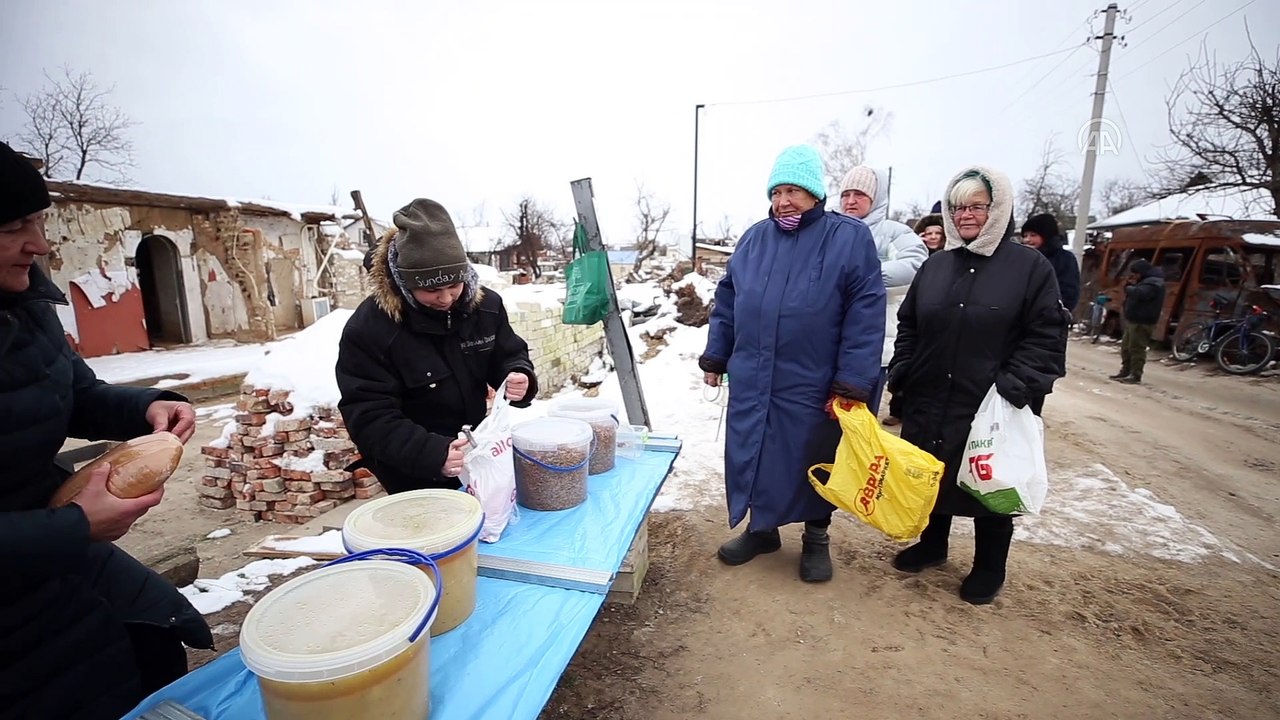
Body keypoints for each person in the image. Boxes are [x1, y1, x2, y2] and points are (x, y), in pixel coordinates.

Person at [0, 141, 213, 720]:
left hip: (57, 557)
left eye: (39, 222)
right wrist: (72, 528)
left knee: (149, 649)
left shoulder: (23, 306)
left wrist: (148, 407)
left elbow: (75, 394)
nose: (39, 245)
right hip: (23, 579)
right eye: (14, 227)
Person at [699, 145, 886, 583]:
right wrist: (717, 354)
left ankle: (816, 538)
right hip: (753, 372)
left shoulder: (849, 237)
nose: (784, 201)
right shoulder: (753, 238)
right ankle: (762, 530)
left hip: (813, 379)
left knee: (814, 456)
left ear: (816, 194)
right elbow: (727, 301)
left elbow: (866, 309)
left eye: (795, 191)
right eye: (778, 191)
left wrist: (852, 381)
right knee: (755, 452)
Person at [886, 166, 1067, 605]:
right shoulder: (937, 266)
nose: (965, 215)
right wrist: (904, 368)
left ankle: (990, 566)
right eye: (958, 207)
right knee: (933, 474)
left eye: (976, 206)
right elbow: (908, 323)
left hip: (991, 400)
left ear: (998, 209)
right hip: (931, 394)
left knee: (989, 481)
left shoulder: (1028, 266)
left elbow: (1046, 333)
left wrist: (1014, 383)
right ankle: (934, 545)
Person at [336, 198, 537, 493]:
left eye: (453, 285)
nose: (445, 298)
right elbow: (368, 414)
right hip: (413, 470)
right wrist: (430, 453)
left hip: (476, 453)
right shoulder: (370, 329)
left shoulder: (486, 307)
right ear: (404, 283)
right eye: (430, 290)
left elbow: (506, 352)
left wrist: (518, 373)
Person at [837, 166, 928, 418]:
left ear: (875, 198)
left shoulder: (894, 233)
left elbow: (915, 264)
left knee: (860, 419)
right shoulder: (831, 232)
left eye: (859, 194)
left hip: (873, 347)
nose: (851, 201)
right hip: (829, 341)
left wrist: (863, 278)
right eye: (846, 194)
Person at [1111, 259, 1165, 385]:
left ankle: (1135, 374)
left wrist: (1130, 287)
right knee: (1126, 347)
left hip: (1143, 321)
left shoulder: (1153, 283)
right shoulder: (1146, 281)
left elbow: (1141, 294)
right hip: (1135, 319)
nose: (1133, 276)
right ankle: (1126, 370)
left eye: (1135, 273)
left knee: (1136, 348)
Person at [1020, 213, 1081, 314]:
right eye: (1025, 236)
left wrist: (1052, 314)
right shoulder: (1020, 259)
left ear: (1046, 236)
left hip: (1047, 320)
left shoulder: (1064, 259)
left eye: (1033, 235)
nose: (1027, 240)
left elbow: (1069, 293)